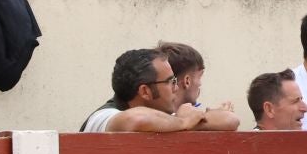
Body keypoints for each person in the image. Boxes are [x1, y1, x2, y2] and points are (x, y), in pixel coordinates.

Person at [81, 48, 211, 134]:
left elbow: (223, 120)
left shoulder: (162, 119)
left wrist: (192, 117)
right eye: (170, 81)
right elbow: (137, 119)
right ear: (145, 91)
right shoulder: (102, 117)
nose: (176, 88)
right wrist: (184, 122)